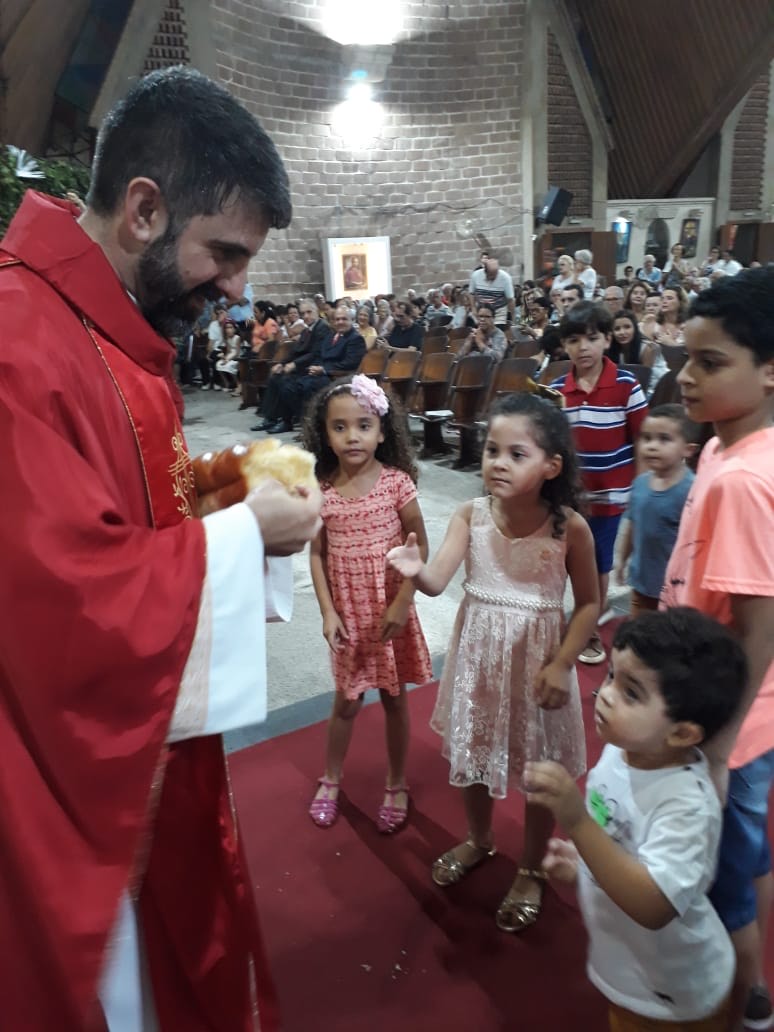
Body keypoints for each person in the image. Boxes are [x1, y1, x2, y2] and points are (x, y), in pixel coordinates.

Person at [0, 66, 323, 1031]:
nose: (237, 288)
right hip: (59, 784)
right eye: (224, 253)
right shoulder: (18, 339)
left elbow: (124, 503)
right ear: (144, 210)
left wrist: (220, 486)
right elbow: (60, 604)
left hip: (148, 751)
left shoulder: (108, 324)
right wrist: (245, 536)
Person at [387, 392, 599, 932]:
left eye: (516, 454)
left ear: (551, 466)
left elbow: (590, 603)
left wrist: (563, 663)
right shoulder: (470, 515)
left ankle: (531, 866)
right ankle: (479, 838)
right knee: (474, 752)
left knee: (537, 769)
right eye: (491, 451)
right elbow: (437, 581)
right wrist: (415, 569)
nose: (498, 463)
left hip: (538, 666)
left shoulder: (569, 527)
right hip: (480, 662)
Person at [526, 608, 748, 1032]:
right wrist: (584, 863)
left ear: (682, 733)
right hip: (630, 975)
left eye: (631, 693)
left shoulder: (686, 804)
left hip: (675, 993)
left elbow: (653, 905)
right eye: (611, 676)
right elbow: (618, 837)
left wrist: (578, 824)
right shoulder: (622, 753)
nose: (606, 694)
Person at [661, 269, 774, 1030]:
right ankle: (754, 989)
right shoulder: (719, 450)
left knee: (720, 888)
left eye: (710, 363)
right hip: (738, 714)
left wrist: (719, 748)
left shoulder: (742, 480)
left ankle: (740, 1010)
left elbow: (761, 626)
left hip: (727, 721)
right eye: (685, 358)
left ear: (769, 371)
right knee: (748, 859)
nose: (686, 376)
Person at [304, 375, 432, 833]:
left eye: (363, 425)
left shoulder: (397, 485)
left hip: (390, 612)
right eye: (339, 427)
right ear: (325, 435)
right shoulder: (322, 491)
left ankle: (396, 783)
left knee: (395, 700)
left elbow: (420, 547)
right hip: (350, 616)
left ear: (382, 431)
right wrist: (327, 611)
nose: (352, 436)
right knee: (345, 702)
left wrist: (403, 602)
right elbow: (316, 555)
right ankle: (331, 778)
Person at [552, 301, 649, 665]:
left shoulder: (625, 385)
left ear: (607, 340)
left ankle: (589, 630)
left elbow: (641, 439)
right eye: (574, 340)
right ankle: (569, 620)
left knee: (597, 566)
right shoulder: (557, 390)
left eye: (592, 338)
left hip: (609, 497)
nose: (584, 347)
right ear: (564, 345)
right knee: (564, 562)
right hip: (568, 497)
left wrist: (640, 488)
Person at [614, 405, 696, 617]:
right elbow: (632, 525)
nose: (652, 446)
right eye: (647, 438)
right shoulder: (640, 484)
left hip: (676, 591)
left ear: (688, 449)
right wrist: (622, 560)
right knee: (639, 631)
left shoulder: (692, 490)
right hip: (641, 584)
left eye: (664, 439)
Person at [270, 305, 365, 434]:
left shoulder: (355, 338)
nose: (340, 322)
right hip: (319, 373)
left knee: (308, 386)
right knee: (287, 383)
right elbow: (319, 355)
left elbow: (350, 363)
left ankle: (311, 426)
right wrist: (313, 367)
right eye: (337, 319)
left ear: (352, 320)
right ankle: (296, 421)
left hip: (337, 376)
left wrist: (323, 369)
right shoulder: (331, 336)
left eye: (344, 319)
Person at [469, 251, 516, 327]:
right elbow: (471, 293)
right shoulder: (476, 275)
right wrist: (473, 308)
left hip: (499, 311)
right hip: (482, 310)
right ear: (485, 271)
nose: (494, 277)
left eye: (495, 274)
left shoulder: (505, 278)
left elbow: (510, 300)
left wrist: (513, 318)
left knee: (498, 330)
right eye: (491, 275)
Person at [215, 318, 242, 394]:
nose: (229, 330)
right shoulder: (227, 339)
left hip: (237, 357)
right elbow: (228, 351)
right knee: (218, 364)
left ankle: (238, 384)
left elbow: (237, 352)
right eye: (227, 328)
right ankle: (227, 383)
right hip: (230, 356)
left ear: (234, 329)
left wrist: (228, 360)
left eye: (230, 327)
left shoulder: (237, 338)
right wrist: (224, 357)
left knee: (229, 366)